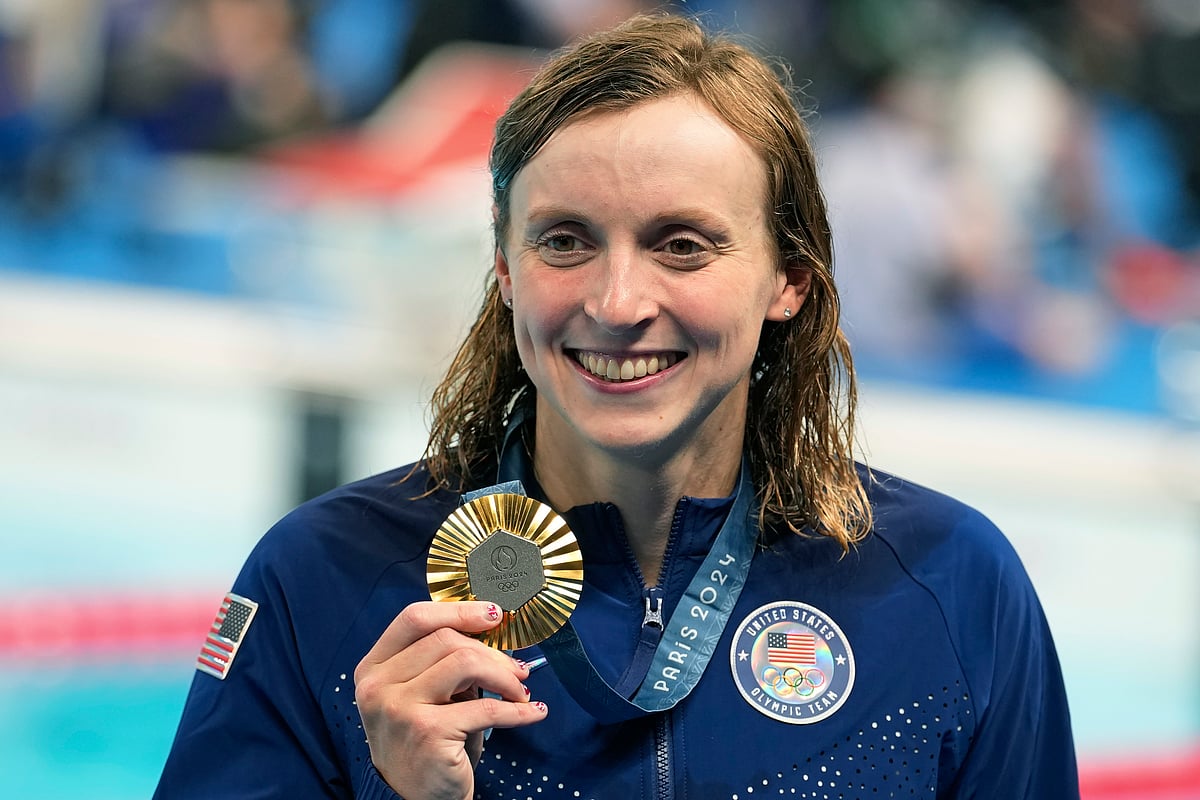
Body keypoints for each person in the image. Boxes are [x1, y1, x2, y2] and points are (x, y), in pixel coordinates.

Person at [154, 12, 1079, 799]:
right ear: (506, 271)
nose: (616, 302)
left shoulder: (950, 589)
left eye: (682, 244)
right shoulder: (323, 580)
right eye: (566, 241)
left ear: (789, 280)